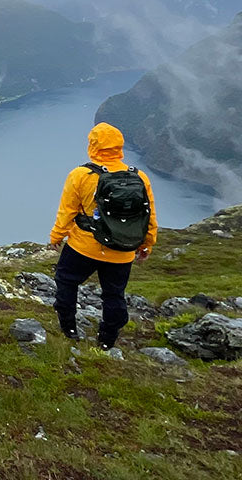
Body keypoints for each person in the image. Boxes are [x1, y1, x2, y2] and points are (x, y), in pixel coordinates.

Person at [48, 122, 157, 349]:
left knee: (67, 281)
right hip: (122, 249)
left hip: (83, 246)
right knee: (114, 294)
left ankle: (68, 329)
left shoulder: (81, 174)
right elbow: (148, 216)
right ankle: (107, 340)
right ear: (119, 146)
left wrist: (56, 237)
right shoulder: (139, 177)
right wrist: (146, 244)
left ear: (93, 145)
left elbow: (67, 211)